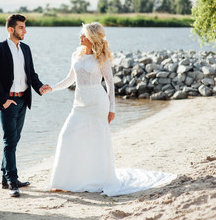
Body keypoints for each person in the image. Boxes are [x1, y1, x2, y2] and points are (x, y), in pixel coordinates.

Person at [47, 22, 176, 196]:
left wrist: (112, 109)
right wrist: (51, 88)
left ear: (92, 38)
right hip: (79, 104)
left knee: (96, 141)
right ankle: (67, 180)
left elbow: (109, 84)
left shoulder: (102, 57)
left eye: (83, 35)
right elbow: (70, 79)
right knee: (67, 135)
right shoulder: (75, 55)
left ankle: (97, 178)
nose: (80, 37)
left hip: (98, 104)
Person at [0, 14, 50, 197]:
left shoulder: (26, 49)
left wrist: (40, 87)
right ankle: (12, 181)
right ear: (11, 29)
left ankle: (6, 178)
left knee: (14, 140)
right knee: (9, 142)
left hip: (23, 100)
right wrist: (4, 100)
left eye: (24, 27)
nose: (25, 31)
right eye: (21, 27)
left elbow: (31, 74)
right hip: (8, 102)